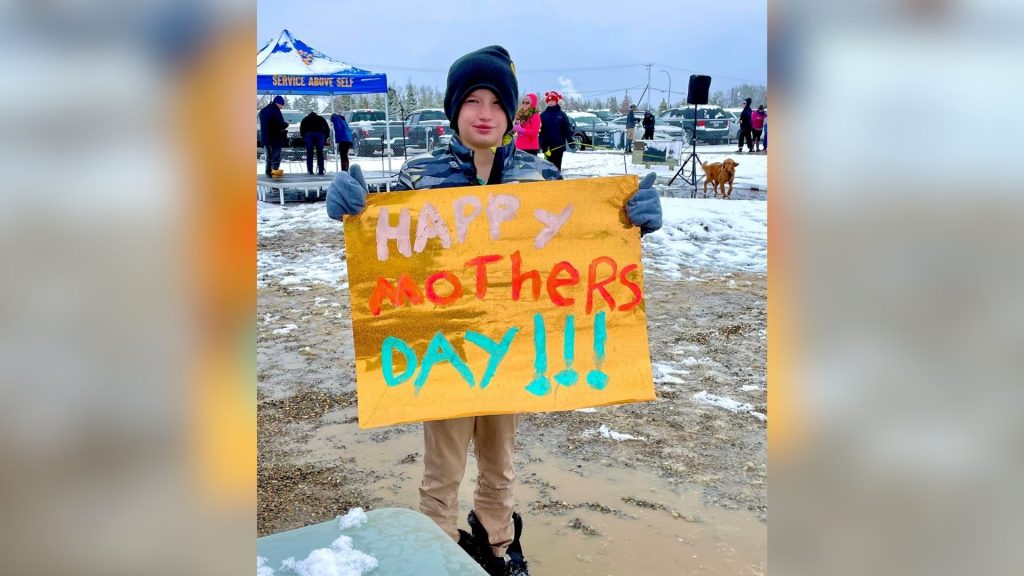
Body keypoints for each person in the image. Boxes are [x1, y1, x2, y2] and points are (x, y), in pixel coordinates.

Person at [325, 45, 663, 576]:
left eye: (497, 103)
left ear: (511, 114)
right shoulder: (420, 177)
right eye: (472, 101)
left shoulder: (539, 178)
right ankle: (436, 548)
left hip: (512, 351)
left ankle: (499, 544)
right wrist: (350, 206)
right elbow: (384, 248)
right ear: (454, 110)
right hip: (444, 352)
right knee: (442, 466)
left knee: (500, 463)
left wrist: (632, 221)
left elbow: (583, 242)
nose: (485, 113)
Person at [538, 90, 573, 172]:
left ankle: (557, 183)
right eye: (549, 100)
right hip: (548, 148)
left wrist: (570, 141)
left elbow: (567, 129)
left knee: (557, 168)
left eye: (553, 100)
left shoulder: (562, 114)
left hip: (559, 146)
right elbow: (540, 132)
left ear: (556, 101)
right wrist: (544, 147)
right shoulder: (543, 115)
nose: (551, 102)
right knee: (548, 169)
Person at [259, 95, 288, 177]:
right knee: (275, 159)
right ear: (278, 103)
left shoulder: (263, 110)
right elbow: (279, 124)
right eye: (282, 104)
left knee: (269, 158)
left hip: (266, 138)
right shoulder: (276, 111)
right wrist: (286, 124)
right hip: (275, 139)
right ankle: (274, 178)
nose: (282, 106)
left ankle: (268, 174)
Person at [300, 110, 330, 175]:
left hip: (309, 134)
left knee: (309, 152)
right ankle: (321, 170)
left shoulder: (305, 119)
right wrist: (325, 138)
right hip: (320, 134)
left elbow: (301, 129)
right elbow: (327, 129)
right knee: (320, 152)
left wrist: (304, 137)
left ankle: (310, 170)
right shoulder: (321, 119)